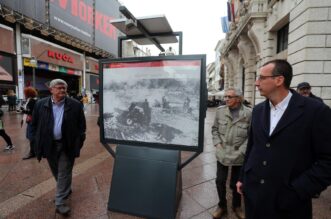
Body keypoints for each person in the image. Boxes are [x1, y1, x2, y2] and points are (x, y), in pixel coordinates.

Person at [236, 59, 331, 219]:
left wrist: (298, 191)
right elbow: (253, 147)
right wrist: (242, 177)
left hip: (290, 204)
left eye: (261, 78)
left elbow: (328, 161)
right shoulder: (258, 110)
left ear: (279, 80)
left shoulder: (316, 111)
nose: (256, 83)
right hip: (254, 197)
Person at [31, 79, 86, 216]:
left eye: (64, 88)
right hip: (49, 144)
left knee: (64, 171)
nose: (62, 90)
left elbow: (81, 126)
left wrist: (78, 141)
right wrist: (35, 140)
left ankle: (60, 202)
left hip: (67, 144)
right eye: (59, 88)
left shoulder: (75, 105)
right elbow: (34, 124)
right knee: (56, 170)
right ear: (51, 90)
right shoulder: (40, 104)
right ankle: (65, 188)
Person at [211, 88, 252, 219]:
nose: (226, 99)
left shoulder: (249, 113)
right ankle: (222, 206)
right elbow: (215, 129)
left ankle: (237, 206)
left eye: (230, 96)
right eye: (225, 96)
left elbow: (252, 136)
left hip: (239, 154)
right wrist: (217, 144)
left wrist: (243, 151)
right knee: (219, 181)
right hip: (222, 153)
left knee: (236, 183)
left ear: (238, 98)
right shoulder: (220, 111)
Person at [21, 87, 38, 160]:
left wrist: (23, 111)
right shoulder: (32, 100)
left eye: (25, 93)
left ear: (28, 93)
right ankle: (34, 151)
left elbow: (31, 112)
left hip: (32, 121)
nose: (24, 94)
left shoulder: (32, 101)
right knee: (31, 136)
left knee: (31, 137)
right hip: (31, 120)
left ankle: (32, 152)